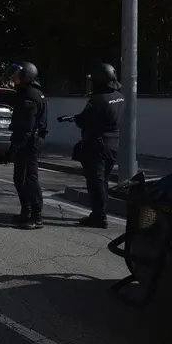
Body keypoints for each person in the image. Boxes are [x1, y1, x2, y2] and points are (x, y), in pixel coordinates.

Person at [72, 63, 125, 228]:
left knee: (96, 182)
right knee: (104, 181)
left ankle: (99, 216)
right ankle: (100, 213)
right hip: (113, 142)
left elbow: (84, 120)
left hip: (97, 144)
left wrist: (76, 119)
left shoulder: (97, 99)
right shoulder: (119, 96)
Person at [5, 62, 48, 230]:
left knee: (30, 179)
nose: (13, 78)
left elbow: (27, 126)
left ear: (26, 76)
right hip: (27, 141)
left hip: (28, 143)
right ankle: (26, 211)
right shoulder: (30, 93)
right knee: (20, 178)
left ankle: (36, 216)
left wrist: (16, 147)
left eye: (17, 75)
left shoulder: (30, 96)